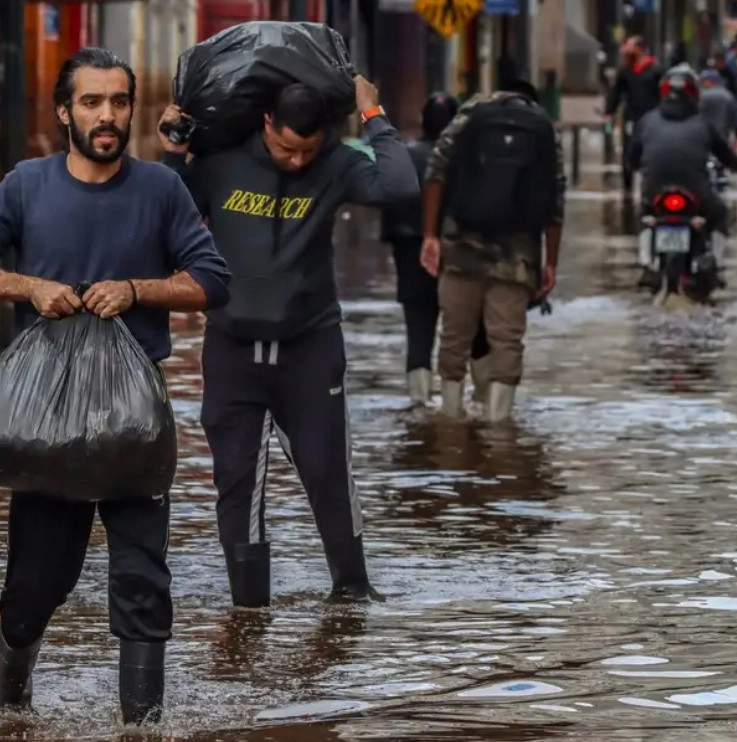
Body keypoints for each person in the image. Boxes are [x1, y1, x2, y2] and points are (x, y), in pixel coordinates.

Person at [0, 48, 231, 722]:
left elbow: (212, 281)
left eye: (120, 102)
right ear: (65, 111)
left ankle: (142, 727)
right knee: (36, 583)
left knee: (142, 580)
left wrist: (136, 290)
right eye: (93, 102)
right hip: (45, 423)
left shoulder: (161, 189)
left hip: (133, 420)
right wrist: (28, 285)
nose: (108, 116)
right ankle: (12, 709)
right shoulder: (27, 185)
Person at [158, 74, 418, 609]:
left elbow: (400, 188)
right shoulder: (222, 162)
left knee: (327, 470)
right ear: (266, 123)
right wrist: (172, 151)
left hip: (310, 346)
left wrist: (373, 116)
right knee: (237, 479)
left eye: (308, 149)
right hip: (232, 346)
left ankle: (351, 593)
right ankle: (248, 609)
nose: (297, 160)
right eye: (285, 147)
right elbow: (165, 210)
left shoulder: (337, 165)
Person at [419, 79, 565, 422]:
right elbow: (556, 200)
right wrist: (551, 263)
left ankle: (451, 420)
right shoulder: (543, 126)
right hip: (518, 256)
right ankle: (499, 428)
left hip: (461, 247)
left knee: (454, 336)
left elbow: (435, 172)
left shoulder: (471, 113)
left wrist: (430, 235)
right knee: (507, 340)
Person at [379, 92, 490, 405]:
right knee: (474, 328)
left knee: (418, 328)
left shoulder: (403, 155)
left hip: (408, 249)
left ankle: (419, 403)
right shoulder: (470, 158)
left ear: (421, 120)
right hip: (460, 251)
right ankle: (482, 401)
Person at [631, 65, 737, 237]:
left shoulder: (647, 121)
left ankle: (645, 253)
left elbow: (632, 156)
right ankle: (717, 260)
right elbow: (724, 153)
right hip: (697, 192)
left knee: (644, 214)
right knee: (719, 214)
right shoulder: (704, 123)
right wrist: (736, 165)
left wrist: (634, 165)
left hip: (653, 191)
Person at [603, 36, 663, 190]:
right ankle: (627, 182)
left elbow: (662, 93)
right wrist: (610, 111)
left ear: (640, 49)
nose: (626, 51)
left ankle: (650, 180)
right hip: (632, 116)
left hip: (651, 116)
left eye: (630, 47)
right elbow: (616, 92)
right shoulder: (626, 70)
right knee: (629, 147)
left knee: (650, 148)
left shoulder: (656, 70)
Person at [699, 69, 737, 143]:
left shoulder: (702, 96)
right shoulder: (729, 95)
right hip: (724, 139)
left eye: (703, 81)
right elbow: (736, 121)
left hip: (705, 139)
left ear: (711, 81)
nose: (701, 84)